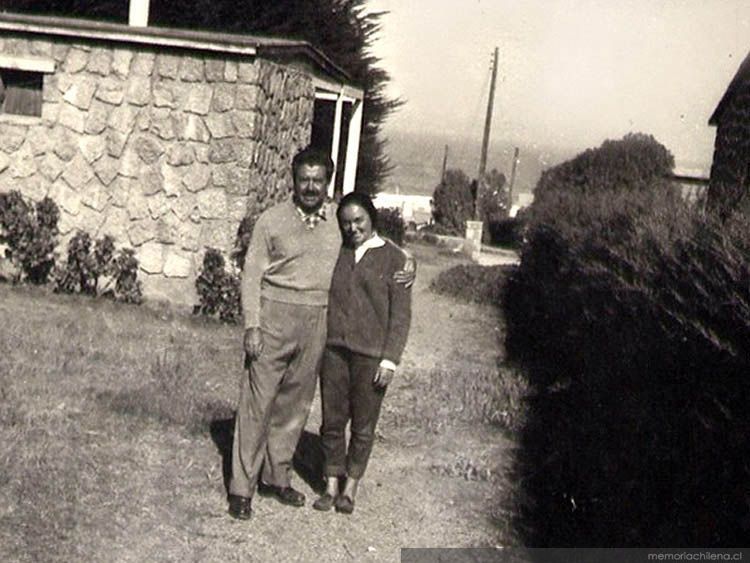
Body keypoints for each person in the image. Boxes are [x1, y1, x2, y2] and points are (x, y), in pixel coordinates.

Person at [228, 147, 414, 521]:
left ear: (327, 184)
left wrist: (410, 259)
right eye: (304, 180)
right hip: (274, 317)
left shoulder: (338, 223)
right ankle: (241, 488)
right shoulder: (271, 220)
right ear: (293, 181)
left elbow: (374, 241)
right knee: (257, 405)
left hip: (318, 322)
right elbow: (251, 276)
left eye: (318, 180)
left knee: (294, 406)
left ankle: (277, 478)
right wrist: (252, 324)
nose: (310, 187)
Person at [312, 192, 412, 515]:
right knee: (331, 421)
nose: (352, 228)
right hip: (335, 352)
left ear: (372, 219)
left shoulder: (395, 259)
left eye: (359, 221)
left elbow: (400, 316)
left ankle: (350, 487)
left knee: (364, 426)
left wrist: (390, 359)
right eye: (346, 223)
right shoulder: (336, 252)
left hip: (371, 357)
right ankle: (330, 483)